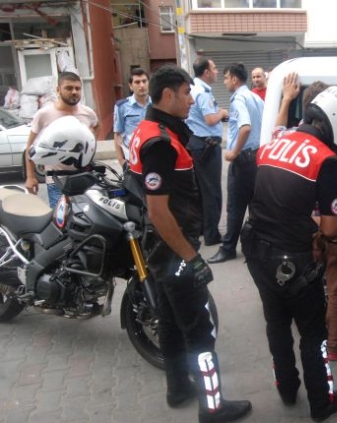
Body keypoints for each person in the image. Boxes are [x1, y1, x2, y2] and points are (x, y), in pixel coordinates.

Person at [128, 65, 251, 423]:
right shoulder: (160, 143)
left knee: (169, 321)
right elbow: (159, 211)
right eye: (186, 93)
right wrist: (192, 258)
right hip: (174, 247)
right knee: (200, 332)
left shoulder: (152, 130)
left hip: (162, 247)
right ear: (168, 95)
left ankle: (178, 388)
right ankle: (213, 407)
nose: (192, 100)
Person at [241, 86, 337, 421]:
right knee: (314, 336)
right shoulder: (325, 159)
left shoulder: (276, 142)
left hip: (256, 250)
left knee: (276, 325)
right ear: (336, 121)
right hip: (294, 261)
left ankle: (286, 388)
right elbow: (329, 227)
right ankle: (321, 403)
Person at [274, 73, 337, 361]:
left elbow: (276, 130)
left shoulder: (289, 139)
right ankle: (334, 346)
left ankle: (313, 338)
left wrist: (286, 98)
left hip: (303, 226)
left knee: (306, 284)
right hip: (335, 223)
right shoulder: (336, 139)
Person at [208, 63, 264, 264]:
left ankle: (228, 248)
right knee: (255, 206)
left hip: (243, 160)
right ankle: (254, 247)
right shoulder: (255, 97)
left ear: (234, 79)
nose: (224, 82)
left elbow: (245, 127)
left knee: (235, 207)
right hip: (256, 157)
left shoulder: (239, 98)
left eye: (225, 78)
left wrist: (234, 151)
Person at [24, 71, 100, 208]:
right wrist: (31, 177)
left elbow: (96, 126)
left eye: (77, 88)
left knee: (86, 216)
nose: (74, 92)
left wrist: (90, 145)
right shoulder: (44, 114)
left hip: (83, 177)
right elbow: (30, 146)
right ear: (58, 90)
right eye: (69, 88)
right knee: (61, 219)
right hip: (57, 181)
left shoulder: (88, 113)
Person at [186, 57, 229, 247]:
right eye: (215, 68)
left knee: (202, 190)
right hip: (206, 145)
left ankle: (203, 228)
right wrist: (222, 113)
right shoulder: (202, 93)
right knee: (212, 191)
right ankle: (212, 234)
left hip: (197, 143)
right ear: (206, 72)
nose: (217, 71)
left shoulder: (193, 89)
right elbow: (211, 119)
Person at [113, 68, 151, 165]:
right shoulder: (122, 106)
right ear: (131, 86)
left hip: (153, 155)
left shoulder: (157, 105)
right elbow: (117, 134)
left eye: (144, 81)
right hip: (132, 158)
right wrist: (122, 161)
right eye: (137, 82)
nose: (142, 85)